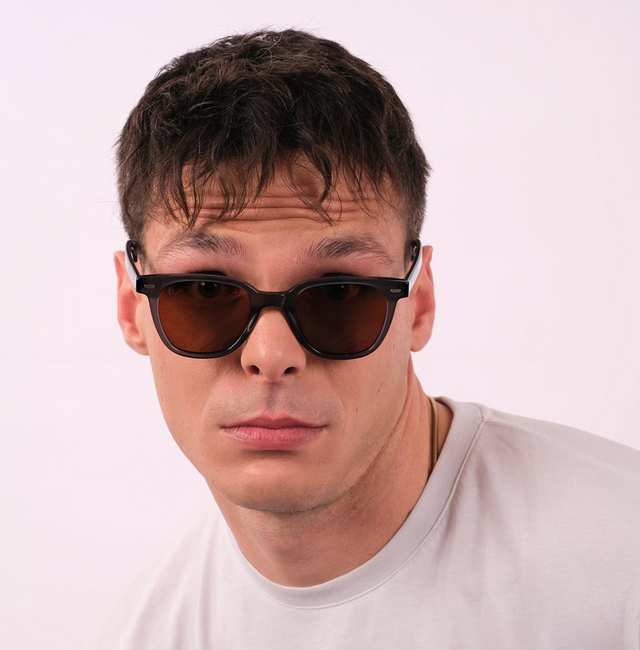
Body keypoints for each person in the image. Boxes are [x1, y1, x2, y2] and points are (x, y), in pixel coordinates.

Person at [85, 29, 640, 649]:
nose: (272, 357)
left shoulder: (623, 566)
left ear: (418, 302)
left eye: (339, 292)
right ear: (131, 308)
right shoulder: (143, 634)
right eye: (207, 292)